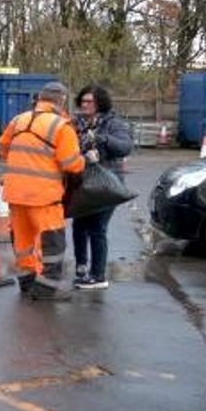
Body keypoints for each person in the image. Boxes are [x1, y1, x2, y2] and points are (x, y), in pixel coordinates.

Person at [0, 81, 85, 300]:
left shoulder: (19, 120)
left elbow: (3, 148)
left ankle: (27, 283)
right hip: (43, 197)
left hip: (15, 193)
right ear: (62, 100)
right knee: (52, 245)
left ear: (40, 98)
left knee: (23, 242)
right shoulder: (61, 126)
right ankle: (46, 289)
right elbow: (70, 164)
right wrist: (85, 160)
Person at [71, 85, 133, 290]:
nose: (85, 105)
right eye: (83, 101)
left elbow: (125, 147)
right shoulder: (74, 123)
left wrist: (102, 138)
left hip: (107, 184)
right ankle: (81, 266)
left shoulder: (113, 124)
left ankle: (98, 276)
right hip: (83, 182)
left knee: (97, 228)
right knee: (79, 225)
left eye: (90, 101)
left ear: (100, 103)